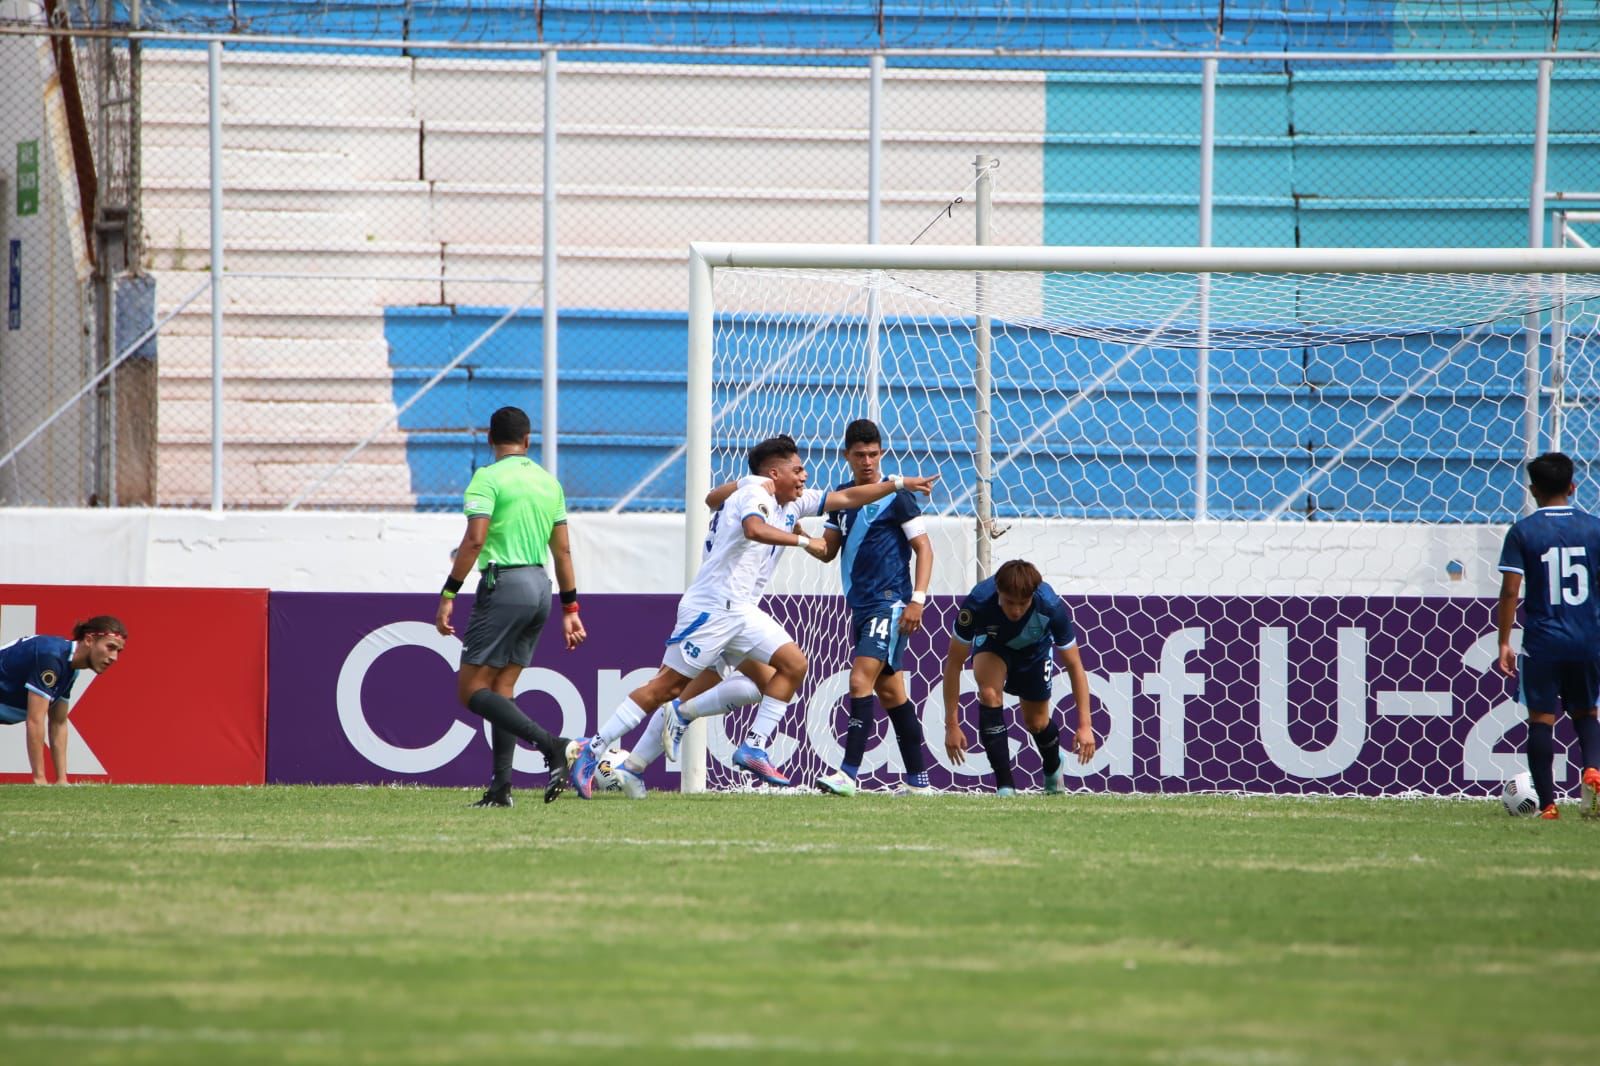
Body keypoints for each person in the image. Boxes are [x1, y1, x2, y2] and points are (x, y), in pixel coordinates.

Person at [570, 433, 937, 798]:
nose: (805, 476)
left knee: (789, 667)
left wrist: (898, 483)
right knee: (665, 689)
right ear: (774, 474)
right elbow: (754, 529)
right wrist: (803, 539)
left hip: (742, 611)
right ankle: (594, 747)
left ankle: (750, 746)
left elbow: (847, 497)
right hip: (713, 608)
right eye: (797, 470)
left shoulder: (791, 500)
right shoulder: (754, 494)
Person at [435, 405, 585, 808]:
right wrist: (570, 608)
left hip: (504, 585)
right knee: (502, 689)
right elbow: (563, 551)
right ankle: (501, 789)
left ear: (489, 439)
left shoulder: (487, 479)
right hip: (540, 586)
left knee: (471, 690)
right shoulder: (548, 482)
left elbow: (474, 540)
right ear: (528, 440)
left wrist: (449, 594)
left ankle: (553, 745)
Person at [810, 419, 936, 797]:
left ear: (881, 453)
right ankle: (919, 782)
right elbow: (827, 551)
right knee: (893, 695)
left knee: (859, 681)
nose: (867, 461)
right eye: (860, 455)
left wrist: (917, 600)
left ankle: (847, 775)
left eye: (873, 454)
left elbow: (924, 548)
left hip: (889, 602)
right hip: (861, 606)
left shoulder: (897, 495)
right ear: (846, 456)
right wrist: (796, 537)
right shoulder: (842, 497)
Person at [1496, 451, 1600, 820]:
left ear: (1533, 490)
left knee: (1541, 718)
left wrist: (1504, 641)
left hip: (1542, 641)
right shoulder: (1595, 528)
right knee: (1586, 712)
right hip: (1587, 639)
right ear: (1573, 487)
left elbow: (1510, 590)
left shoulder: (1523, 532)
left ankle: (1548, 805)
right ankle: (1593, 770)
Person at [941, 559, 1095, 794]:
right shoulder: (977, 602)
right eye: (1009, 602)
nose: (1015, 610)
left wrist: (1085, 725)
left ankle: (1053, 765)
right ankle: (1005, 787)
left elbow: (1074, 665)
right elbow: (953, 663)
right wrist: (952, 725)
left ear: (1033, 595)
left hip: (1035, 652)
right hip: (993, 645)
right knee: (989, 694)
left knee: (1037, 723)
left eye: (1023, 604)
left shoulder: (1050, 606)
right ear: (998, 591)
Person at [0, 616, 127, 785]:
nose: (114, 657)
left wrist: (62, 780)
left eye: (118, 651)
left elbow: (58, 723)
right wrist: (40, 779)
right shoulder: (51, 657)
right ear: (89, 640)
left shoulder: (71, 669)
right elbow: (35, 720)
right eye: (110, 647)